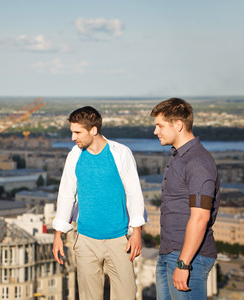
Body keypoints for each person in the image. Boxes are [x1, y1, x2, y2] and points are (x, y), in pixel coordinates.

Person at [52, 106, 148, 300]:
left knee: (126, 296)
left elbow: (134, 193)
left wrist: (136, 232)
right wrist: (58, 235)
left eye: (77, 132)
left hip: (120, 240)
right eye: (72, 132)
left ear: (93, 130)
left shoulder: (120, 153)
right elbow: (66, 195)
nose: (73, 137)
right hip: (86, 240)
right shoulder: (74, 156)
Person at [150, 98, 220, 299]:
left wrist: (183, 263)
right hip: (169, 254)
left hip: (189, 259)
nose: (156, 132)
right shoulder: (179, 157)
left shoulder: (197, 162)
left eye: (160, 126)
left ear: (178, 125)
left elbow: (200, 217)